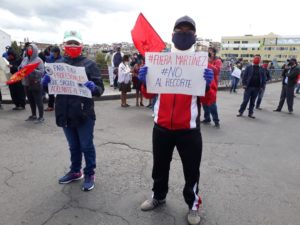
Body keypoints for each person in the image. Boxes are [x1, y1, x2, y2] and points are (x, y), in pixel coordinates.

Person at [138, 16, 214, 225]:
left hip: (189, 129)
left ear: (194, 36)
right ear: (172, 34)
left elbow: (208, 99)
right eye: (180, 30)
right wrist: (144, 80)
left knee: (192, 170)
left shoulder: (201, 63)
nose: (183, 33)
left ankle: (193, 205)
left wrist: (208, 84)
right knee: (159, 167)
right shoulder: (159, 60)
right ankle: (158, 196)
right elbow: (147, 94)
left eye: (188, 31)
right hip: (161, 127)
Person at [42, 30, 104, 191]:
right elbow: (50, 89)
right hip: (65, 112)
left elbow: (100, 89)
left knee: (86, 145)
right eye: (69, 43)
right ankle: (75, 171)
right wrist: (45, 82)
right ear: (64, 45)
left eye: (75, 43)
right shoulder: (57, 65)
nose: (72, 46)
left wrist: (93, 87)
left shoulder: (90, 64)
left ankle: (89, 172)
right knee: (73, 146)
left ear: (81, 45)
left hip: (84, 113)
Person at [20, 43, 45, 123]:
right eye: (28, 48)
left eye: (31, 48)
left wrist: (32, 70)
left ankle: (41, 117)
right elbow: (19, 67)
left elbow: (42, 73)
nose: (29, 50)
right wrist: (20, 68)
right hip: (26, 83)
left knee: (38, 101)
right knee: (30, 100)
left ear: (34, 50)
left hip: (35, 83)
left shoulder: (39, 60)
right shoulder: (25, 59)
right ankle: (33, 115)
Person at [200, 47, 222, 128]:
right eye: (208, 52)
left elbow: (216, 71)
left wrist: (207, 63)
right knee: (204, 103)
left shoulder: (218, 61)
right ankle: (207, 118)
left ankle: (216, 121)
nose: (209, 54)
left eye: (210, 52)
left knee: (212, 103)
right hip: (203, 85)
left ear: (214, 53)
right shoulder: (204, 61)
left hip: (212, 86)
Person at [44, 46, 63, 111]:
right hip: (50, 77)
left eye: (53, 52)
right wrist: (45, 75)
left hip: (59, 78)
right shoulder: (48, 59)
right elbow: (46, 67)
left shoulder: (62, 59)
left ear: (57, 52)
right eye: (51, 52)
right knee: (50, 92)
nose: (52, 54)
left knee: (60, 93)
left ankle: (60, 105)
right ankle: (50, 106)